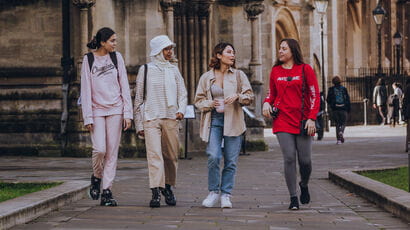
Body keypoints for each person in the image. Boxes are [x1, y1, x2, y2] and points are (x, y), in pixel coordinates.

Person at [262, 38, 320, 210]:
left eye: (284, 48)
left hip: (303, 121)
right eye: (279, 48)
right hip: (282, 121)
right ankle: (293, 197)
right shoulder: (275, 71)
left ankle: (304, 184)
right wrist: (266, 103)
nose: (280, 51)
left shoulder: (305, 69)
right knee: (288, 158)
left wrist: (312, 118)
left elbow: (315, 95)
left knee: (305, 161)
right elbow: (271, 94)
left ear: (293, 51)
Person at [194, 42, 254, 209]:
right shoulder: (207, 77)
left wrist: (237, 96)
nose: (232, 55)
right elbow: (198, 101)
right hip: (214, 121)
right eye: (228, 52)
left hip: (233, 121)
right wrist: (211, 103)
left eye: (233, 52)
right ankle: (213, 192)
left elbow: (249, 96)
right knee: (213, 156)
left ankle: (226, 194)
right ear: (219, 55)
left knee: (231, 161)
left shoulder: (239, 75)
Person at [134, 35, 187, 208]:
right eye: (166, 49)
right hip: (151, 118)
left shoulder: (174, 69)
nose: (170, 52)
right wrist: (138, 124)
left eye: (171, 48)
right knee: (154, 155)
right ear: (158, 51)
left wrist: (181, 110)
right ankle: (155, 191)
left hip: (171, 117)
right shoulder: (146, 69)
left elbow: (182, 93)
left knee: (171, 156)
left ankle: (168, 187)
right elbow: (139, 98)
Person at [81, 27, 133, 206]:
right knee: (99, 149)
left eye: (115, 40)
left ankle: (107, 191)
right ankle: (96, 177)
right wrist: (87, 117)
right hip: (96, 111)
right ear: (102, 42)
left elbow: (124, 85)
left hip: (116, 110)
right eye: (112, 41)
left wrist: (128, 113)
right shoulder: (88, 60)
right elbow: (85, 90)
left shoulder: (116, 58)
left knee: (112, 152)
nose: (115, 44)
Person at [326, 76, 351, 144]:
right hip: (343, 108)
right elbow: (348, 99)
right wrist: (348, 108)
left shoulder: (331, 89)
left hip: (335, 109)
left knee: (337, 124)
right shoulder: (344, 89)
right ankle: (341, 132)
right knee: (343, 123)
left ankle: (338, 140)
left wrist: (331, 105)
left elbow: (328, 99)